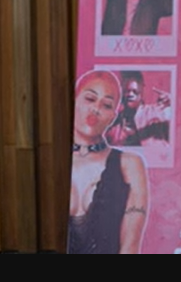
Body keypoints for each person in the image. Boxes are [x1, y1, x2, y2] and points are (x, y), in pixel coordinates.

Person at [68, 71, 150, 254]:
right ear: (74, 101)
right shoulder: (49, 161)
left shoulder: (129, 164)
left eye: (106, 105)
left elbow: (130, 246)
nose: (96, 109)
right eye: (90, 99)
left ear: (113, 116)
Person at [105, 71, 172, 148]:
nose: (130, 94)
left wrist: (174, 104)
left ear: (141, 91)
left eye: (135, 91)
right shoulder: (114, 123)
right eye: (127, 91)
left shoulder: (157, 112)